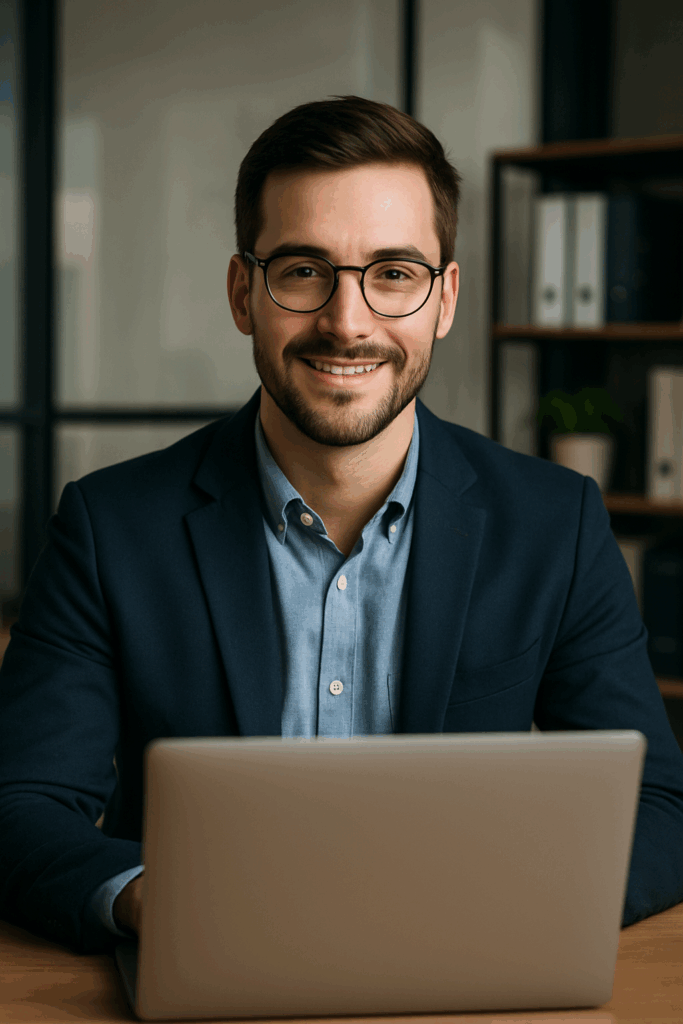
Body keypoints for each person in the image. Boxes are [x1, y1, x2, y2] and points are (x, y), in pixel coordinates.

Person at [1, 96, 683, 957]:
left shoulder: (555, 523)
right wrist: (152, 901)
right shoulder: (110, 527)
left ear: (444, 298)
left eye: (392, 273)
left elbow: (659, 805)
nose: (347, 322)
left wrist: (510, 907)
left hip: (462, 972)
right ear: (243, 292)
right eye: (302, 270)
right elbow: (17, 803)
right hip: (210, 974)